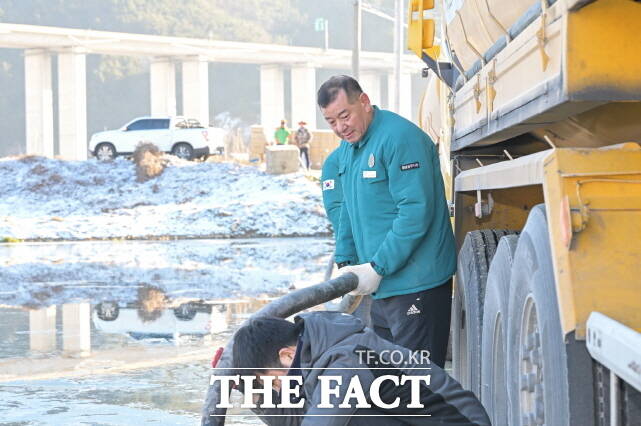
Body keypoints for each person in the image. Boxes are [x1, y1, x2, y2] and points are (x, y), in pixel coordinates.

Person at [317, 75, 456, 368]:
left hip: (416, 283)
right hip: (383, 287)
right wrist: (346, 261)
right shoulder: (349, 150)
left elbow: (416, 211)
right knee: (391, 384)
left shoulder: (399, 139)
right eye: (331, 121)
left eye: (345, 115)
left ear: (364, 102)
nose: (341, 127)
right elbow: (348, 213)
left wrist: (378, 267)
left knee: (421, 388)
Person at [232, 312, 490, 425]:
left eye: (274, 382)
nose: (278, 389)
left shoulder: (346, 361)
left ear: (287, 355)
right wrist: (248, 387)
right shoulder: (314, 356)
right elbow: (296, 420)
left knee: (349, 420)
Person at [321, 149, 393, 340]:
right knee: (361, 325)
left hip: (388, 256)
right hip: (360, 262)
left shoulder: (378, 152)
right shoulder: (335, 161)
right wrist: (357, 248)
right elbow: (337, 210)